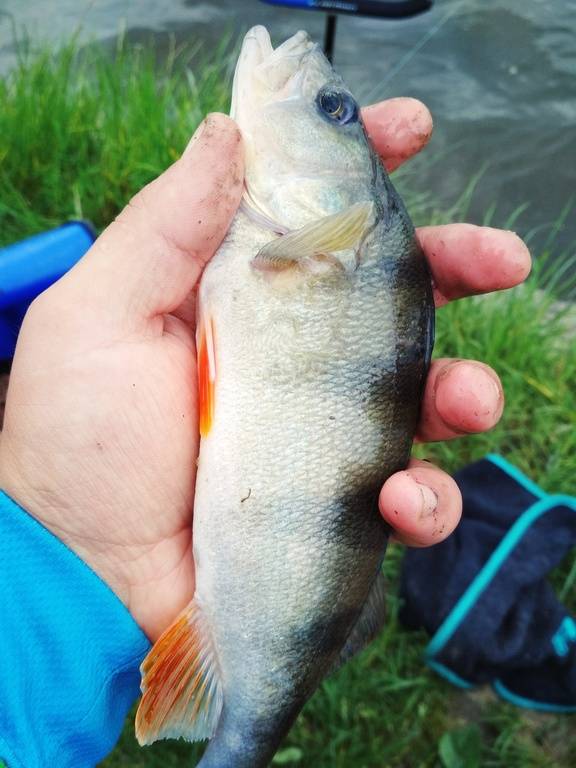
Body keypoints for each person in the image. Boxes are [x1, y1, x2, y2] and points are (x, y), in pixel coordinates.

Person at [0, 100, 530, 768]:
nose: (313, 87)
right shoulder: (301, 235)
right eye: (336, 110)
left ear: (346, 194)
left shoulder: (324, 236)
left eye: (330, 109)